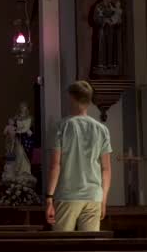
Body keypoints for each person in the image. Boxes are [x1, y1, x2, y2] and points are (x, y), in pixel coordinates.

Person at [45, 81, 113, 232]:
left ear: (72, 98)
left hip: (67, 195)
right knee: (90, 244)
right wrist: (103, 199)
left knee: (63, 244)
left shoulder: (61, 126)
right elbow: (106, 169)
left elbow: (55, 165)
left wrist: (49, 197)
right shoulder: (102, 129)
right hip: (93, 196)